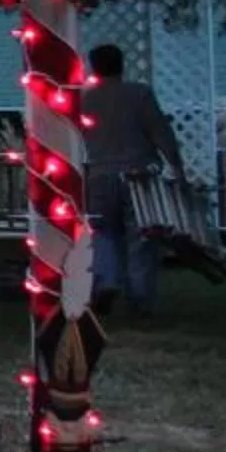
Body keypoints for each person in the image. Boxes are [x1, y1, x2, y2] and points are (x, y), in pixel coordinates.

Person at [82, 42, 187, 318]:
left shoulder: (85, 99)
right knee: (142, 237)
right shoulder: (139, 95)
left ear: (93, 66)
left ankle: (107, 280)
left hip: (100, 173)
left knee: (103, 232)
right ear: (121, 64)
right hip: (138, 174)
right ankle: (140, 299)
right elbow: (160, 132)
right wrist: (176, 166)